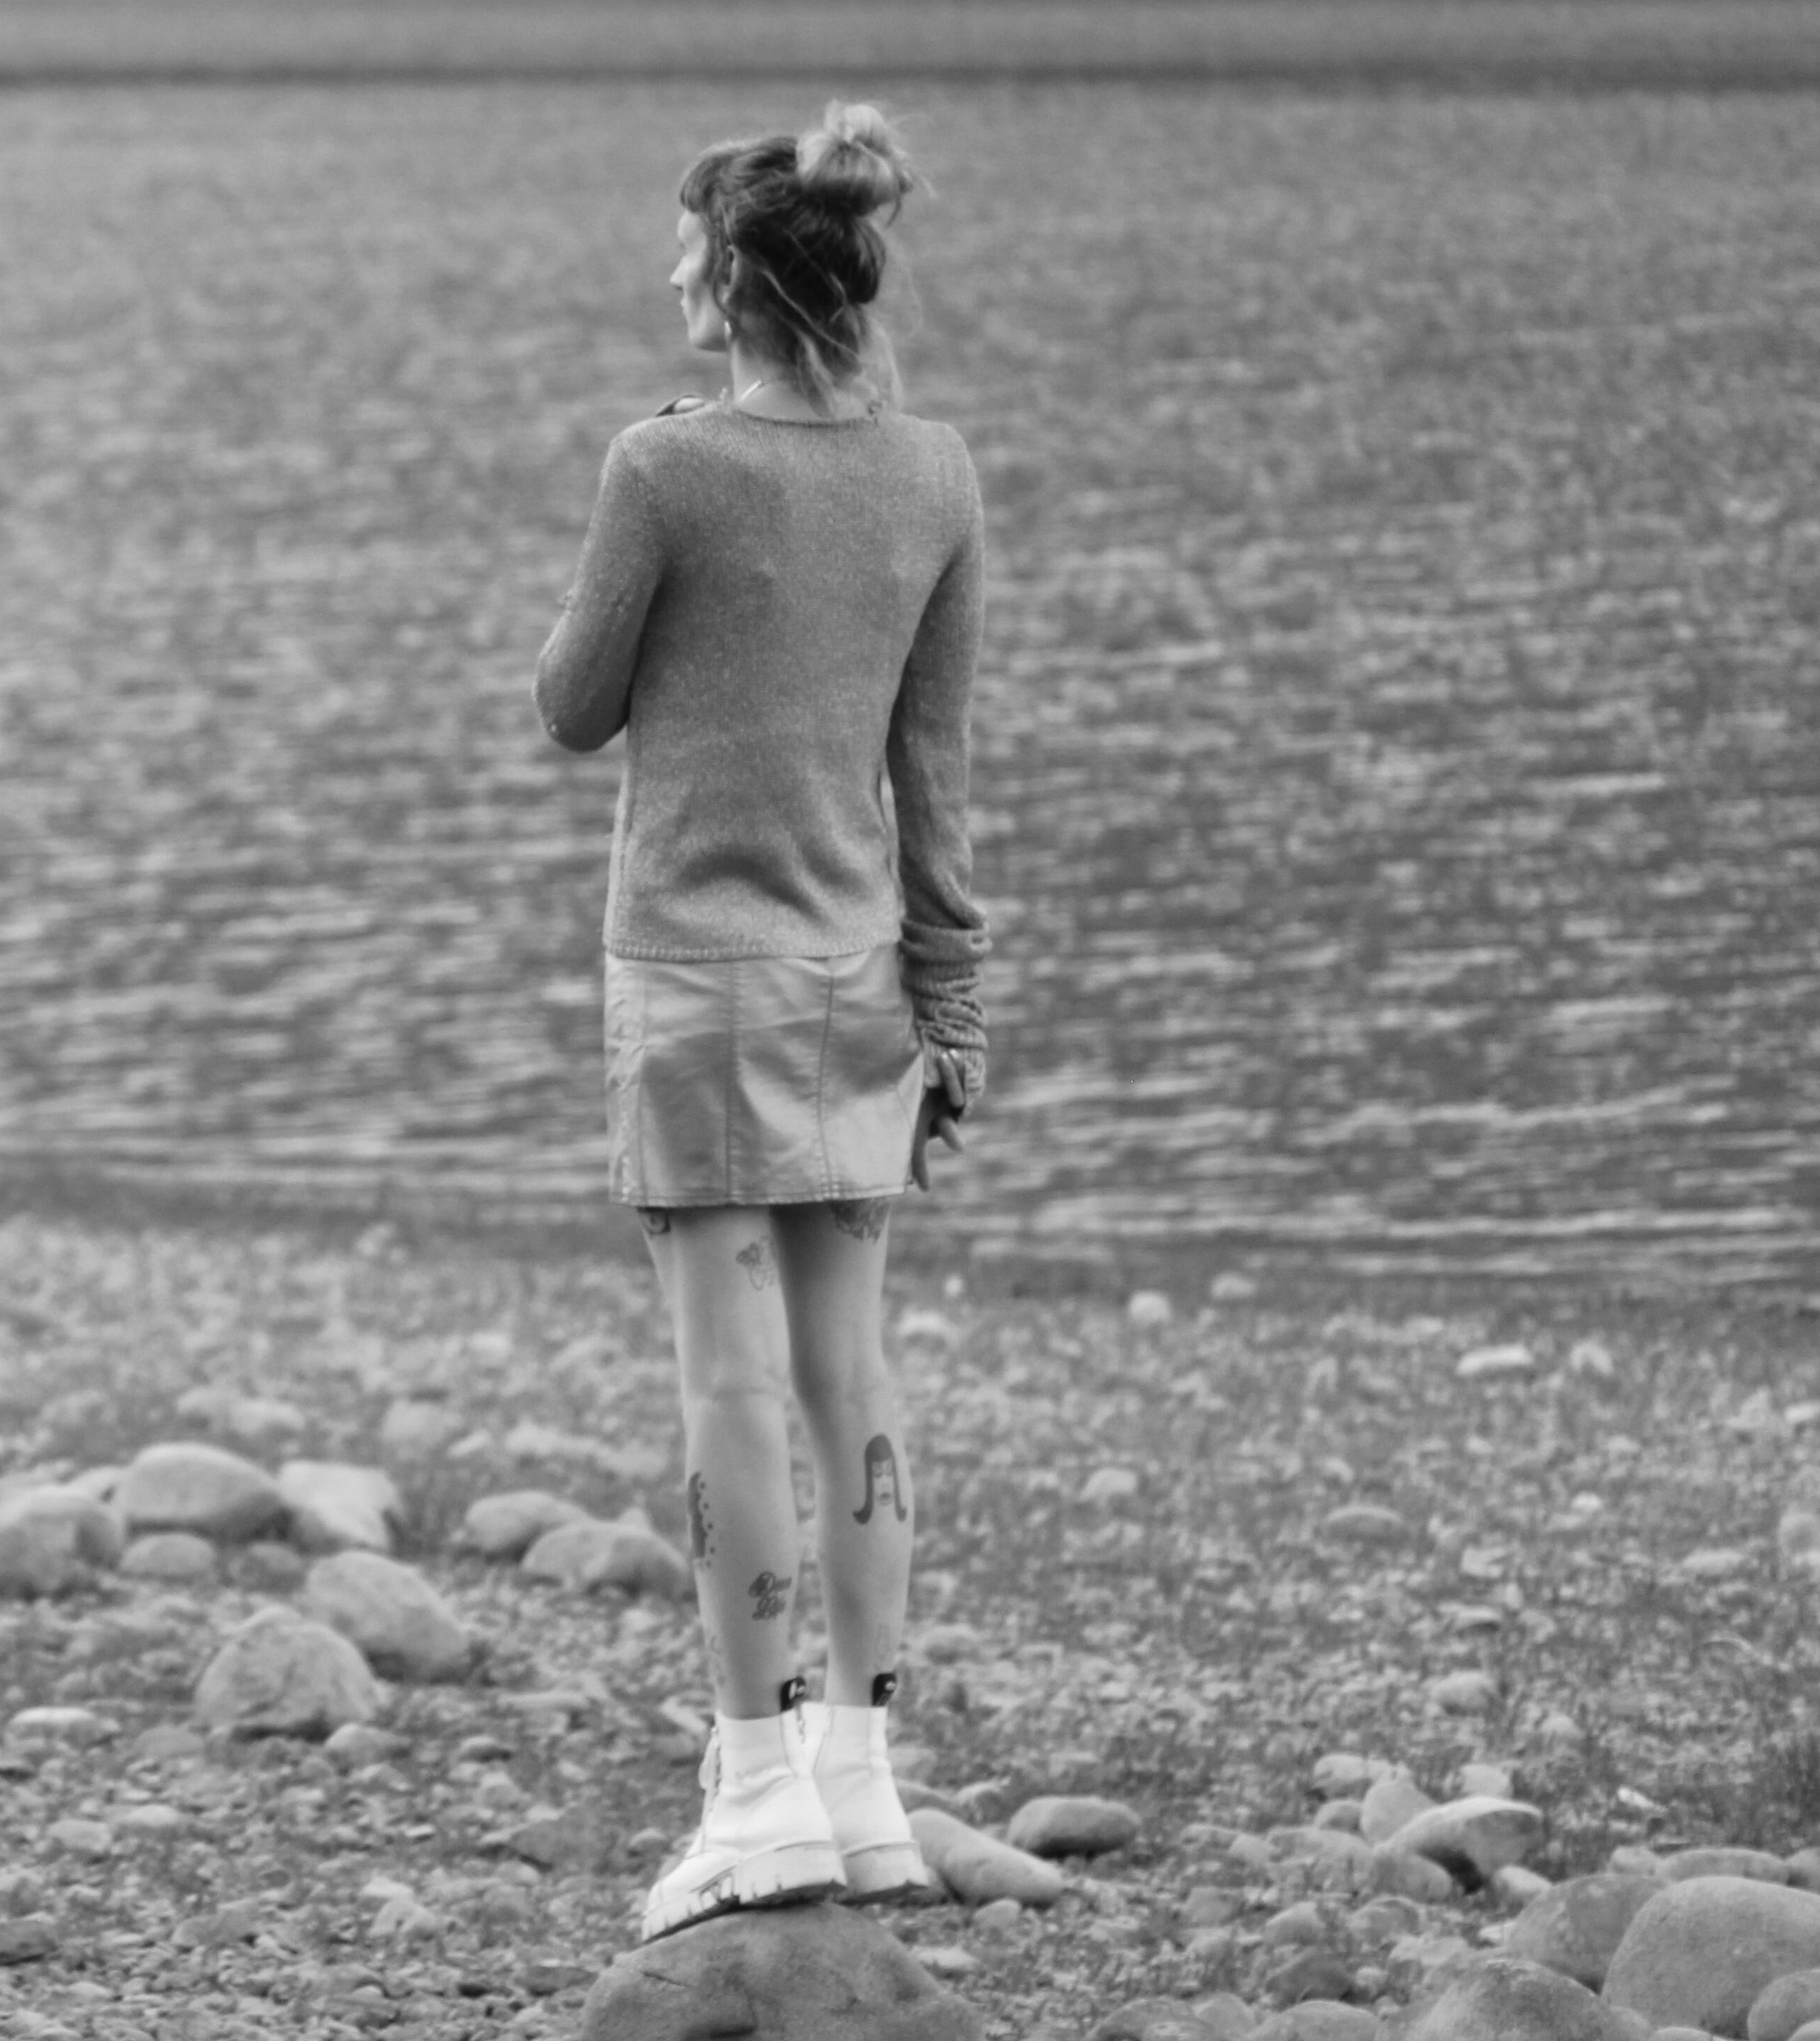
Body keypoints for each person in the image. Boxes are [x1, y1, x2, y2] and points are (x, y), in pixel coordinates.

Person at [531, 99, 990, 1943]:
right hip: (862, 984)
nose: (665, 279)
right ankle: (866, 1795)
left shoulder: (666, 469)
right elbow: (935, 777)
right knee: (850, 1382)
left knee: (728, 1388)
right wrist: (954, 1005)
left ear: (737, 278)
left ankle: (748, 1794)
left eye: (682, 252)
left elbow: (573, 706)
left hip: (698, 993)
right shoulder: (938, 473)